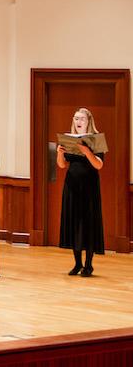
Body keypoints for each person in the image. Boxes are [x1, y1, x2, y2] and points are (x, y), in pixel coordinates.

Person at [57, 107, 105, 277]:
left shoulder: (96, 139)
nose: (78, 122)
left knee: (88, 224)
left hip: (89, 188)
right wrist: (59, 154)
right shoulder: (68, 138)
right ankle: (77, 263)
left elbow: (99, 165)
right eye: (76, 118)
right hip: (72, 186)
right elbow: (62, 165)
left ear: (88, 121)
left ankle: (89, 265)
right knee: (74, 222)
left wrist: (87, 152)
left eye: (82, 119)